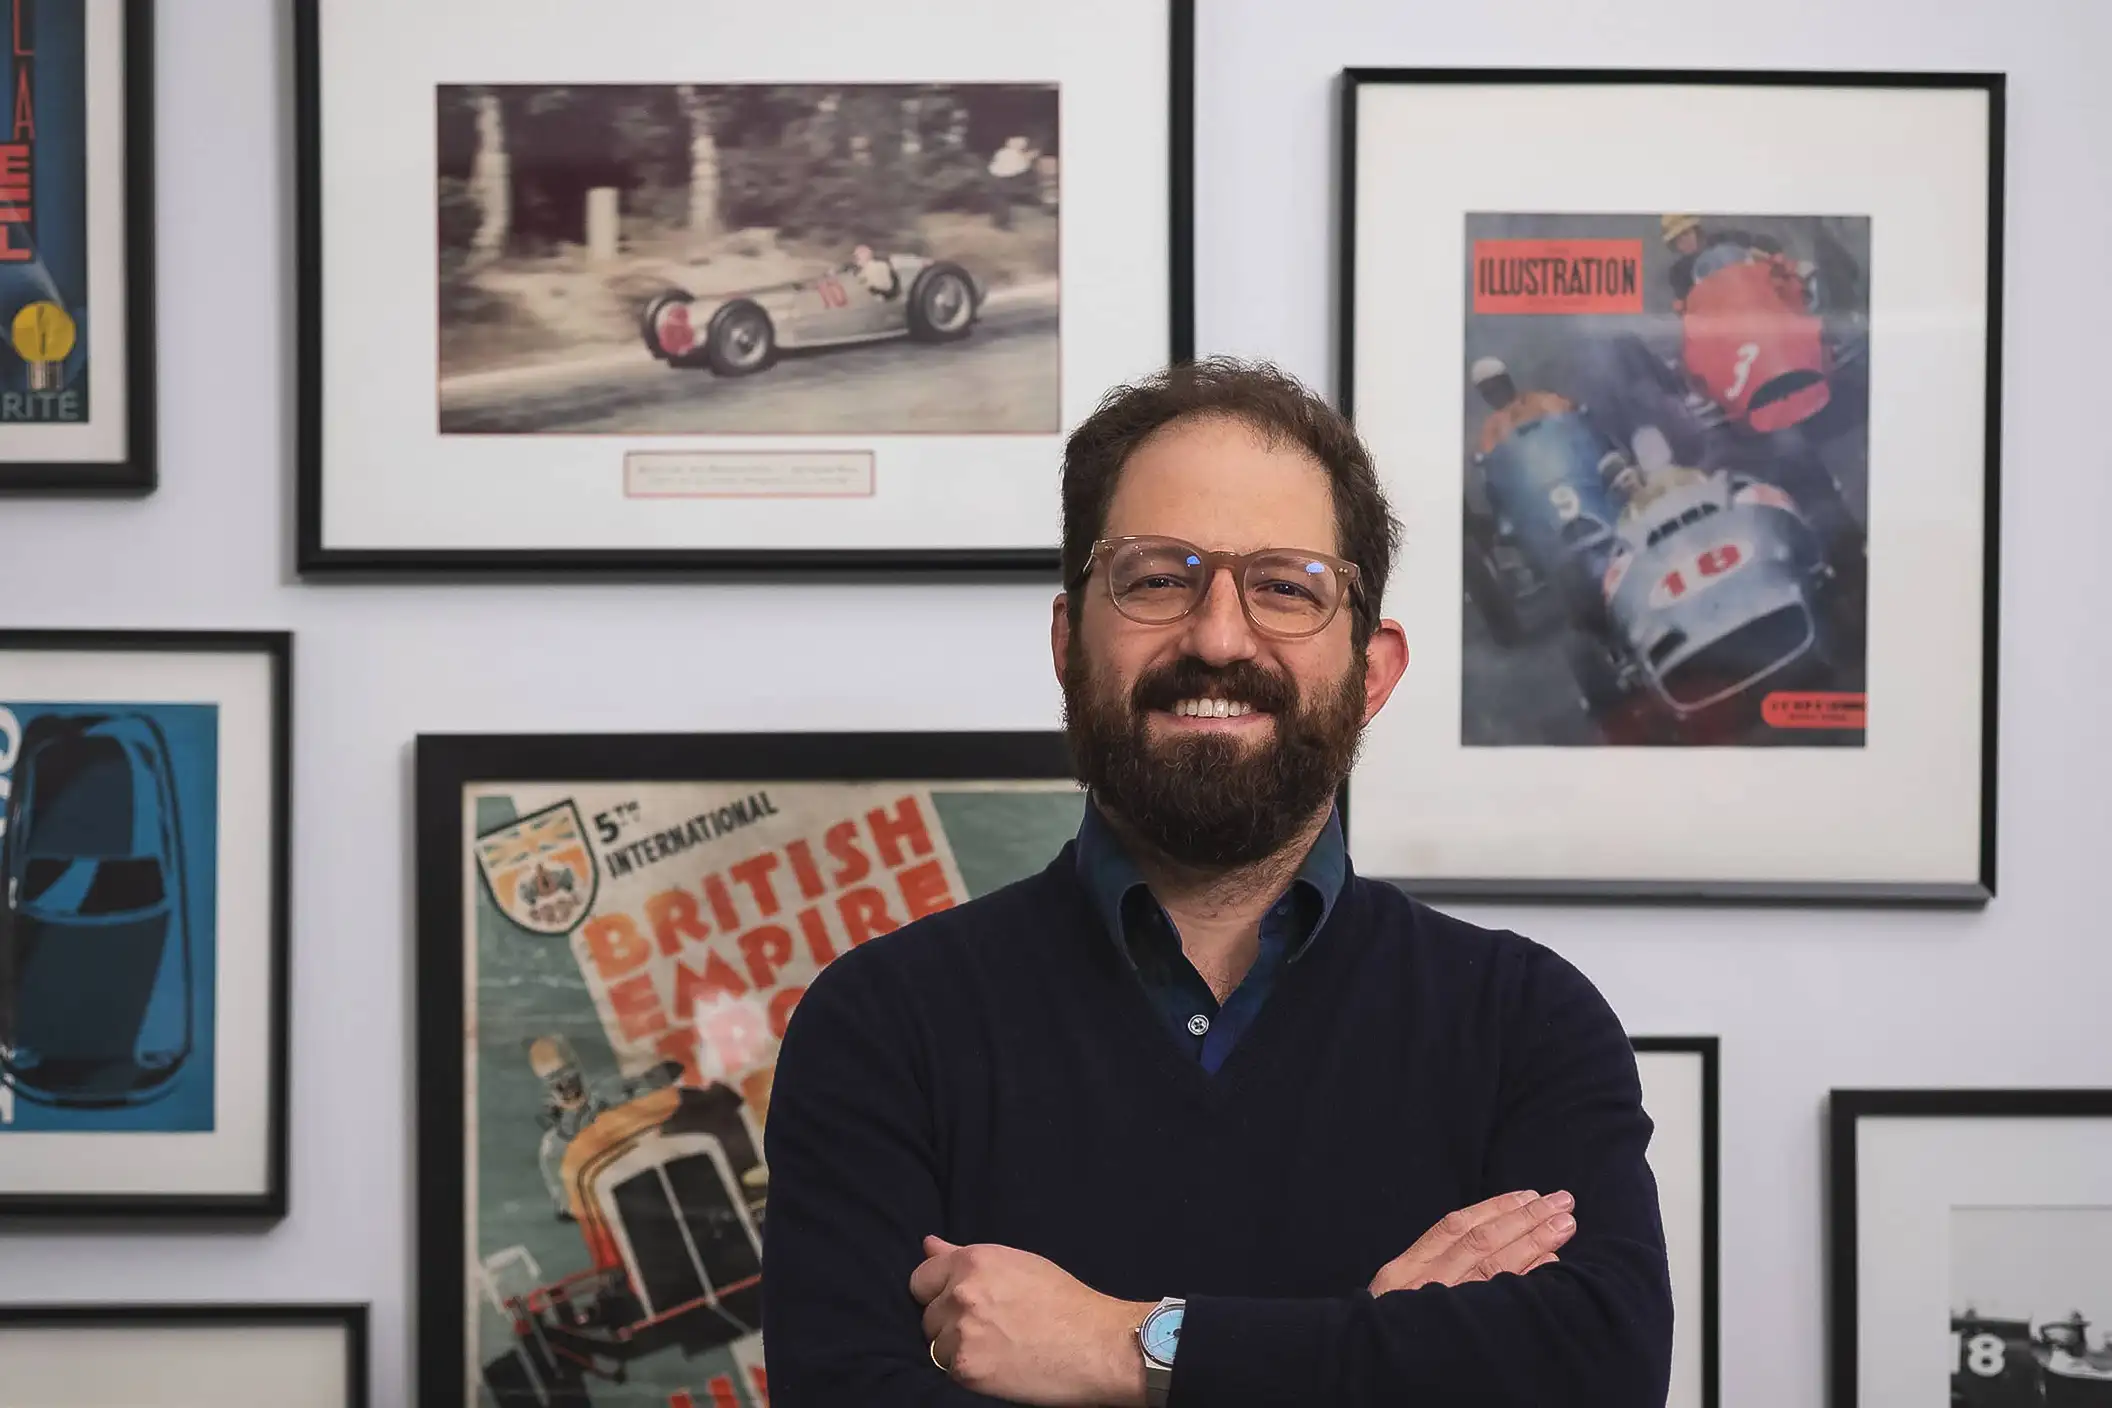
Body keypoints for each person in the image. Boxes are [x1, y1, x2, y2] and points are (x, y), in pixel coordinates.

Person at [759, 357, 1674, 1406]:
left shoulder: (1526, 1024)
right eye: (1157, 578)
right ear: (1069, 642)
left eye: (1285, 587)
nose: (1218, 636)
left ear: (1372, 670)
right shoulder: (883, 1027)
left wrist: (1127, 1349)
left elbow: (1597, 1372)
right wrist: (1384, 1347)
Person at [1470, 355, 1575, 456]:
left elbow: (1570, 416)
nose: (1492, 396)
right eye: (1486, 393)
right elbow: (1488, 455)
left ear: (1506, 382)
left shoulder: (1540, 401)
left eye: (1494, 388)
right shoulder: (1492, 426)